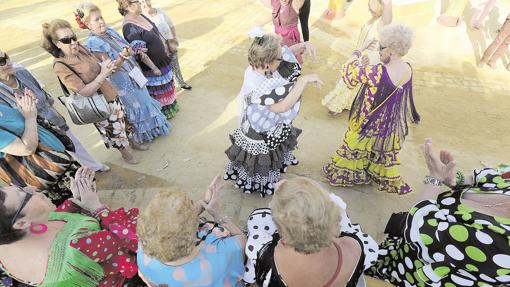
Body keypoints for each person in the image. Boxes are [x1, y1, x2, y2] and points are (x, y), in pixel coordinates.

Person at [366, 139, 510, 286]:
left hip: (416, 269)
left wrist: (435, 178)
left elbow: (424, 232)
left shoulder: (504, 246)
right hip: (404, 243)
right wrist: (453, 179)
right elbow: (483, 177)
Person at [0, 167, 141, 287]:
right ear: (21, 223)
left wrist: (76, 202)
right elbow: (134, 238)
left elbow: (50, 221)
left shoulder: (9, 240)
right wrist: (97, 208)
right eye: (24, 194)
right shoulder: (77, 247)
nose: (30, 187)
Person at [323, 24, 420, 195]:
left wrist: (359, 50)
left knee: (356, 145)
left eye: (382, 48)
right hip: (388, 124)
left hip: (367, 120)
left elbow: (348, 73)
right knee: (377, 148)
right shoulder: (408, 69)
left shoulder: (377, 72)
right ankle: (373, 172)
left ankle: (351, 174)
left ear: (391, 50)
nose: (379, 52)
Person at [224, 31, 322, 197]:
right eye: (280, 57)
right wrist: (303, 81)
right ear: (268, 63)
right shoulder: (259, 85)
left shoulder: (258, 66)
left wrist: (304, 45)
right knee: (262, 157)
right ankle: (257, 182)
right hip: (260, 129)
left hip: (260, 120)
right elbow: (282, 106)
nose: (283, 56)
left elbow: (285, 52)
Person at [243, 177, 379, 286]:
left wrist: (281, 199)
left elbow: (251, 272)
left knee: (258, 218)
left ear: (281, 228)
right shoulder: (353, 246)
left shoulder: (265, 252)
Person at [41, 19, 140, 164]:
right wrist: (103, 74)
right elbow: (84, 91)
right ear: (57, 44)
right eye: (66, 40)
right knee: (114, 131)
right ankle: (125, 153)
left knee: (124, 121)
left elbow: (97, 65)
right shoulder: (60, 65)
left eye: (73, 37)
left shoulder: (80, 48)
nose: (73, 42)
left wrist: (106, 65)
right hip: (98, 104)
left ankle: (132, 143)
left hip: (110, 93)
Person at [0, 49, 109, 172]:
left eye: (7, 57)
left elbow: (43, 94)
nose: (9, 62)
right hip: (38, 135)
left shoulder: (22, 72)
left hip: (53, 118)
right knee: (60, 161)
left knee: (75, 145)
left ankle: (94, 167)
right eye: (2, 61)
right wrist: (28, 110)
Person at [77, 3, 171, 145]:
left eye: (101, 17)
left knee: (145, 100)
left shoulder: (109, 31)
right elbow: (110, 68)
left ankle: (155, 130)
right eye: (96, 20)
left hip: (134, 72)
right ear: (88, 24)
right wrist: (123, 55)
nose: (101, 21)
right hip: (122, 82)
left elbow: (126, 48)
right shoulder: (93, 42)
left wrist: (134, 49)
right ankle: (145, 136)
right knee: (137, 106)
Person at [137, 176, 245, 286]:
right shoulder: (223, 251)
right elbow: (241, 239)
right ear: (191, 233)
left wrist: (204, 202)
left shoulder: (144, 249)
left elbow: (170, 225)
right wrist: (219, 215)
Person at [0, 86, 79, 206]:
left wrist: (27, 107)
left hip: (59, 159)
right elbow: (26, 148)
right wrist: (30, 116)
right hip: (50, 174)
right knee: (81, 211)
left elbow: (22, 123)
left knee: (89, 198)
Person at [322, 0, 392, 116]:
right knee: (352, 79)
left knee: (354, 80)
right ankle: (343, 104)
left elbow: (388, 14)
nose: (369, 10)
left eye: (372, 8)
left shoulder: (382, 22)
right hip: (362, 54)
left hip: (370, 58)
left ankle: (340, 105)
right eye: (370, 7)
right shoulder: (373, 19)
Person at [118, 0, 179, 119]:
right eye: (137, 1)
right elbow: (140, 52)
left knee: (167, 87)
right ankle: (164, 115)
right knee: (159, 92)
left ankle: (171, 108)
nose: (141, 3)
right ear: (129, 6)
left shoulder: (140, 16)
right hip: (153, 66)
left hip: (162, 60)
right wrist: (154, 68)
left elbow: (156, 33)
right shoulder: (129, 27)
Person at [141, 0, 192, 90]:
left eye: (146, 0)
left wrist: (174, 38)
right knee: (166, 69)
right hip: (159, 50)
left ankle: (181, 83)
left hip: (170, 45)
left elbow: (171, 25)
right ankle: (171, 87)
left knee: (175, 65)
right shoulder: (143, 19)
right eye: (142, 2)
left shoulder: (160, 11)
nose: (145, 3)